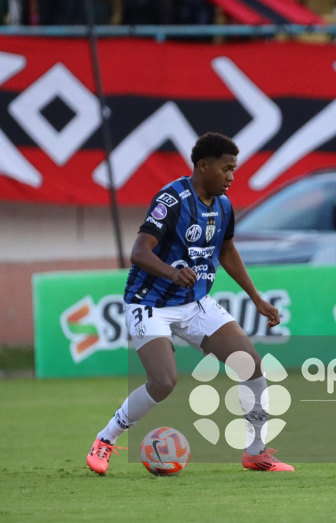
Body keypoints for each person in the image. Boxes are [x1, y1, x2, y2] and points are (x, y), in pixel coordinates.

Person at [86, 133, 294, 474]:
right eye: (226, 169)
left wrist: (255, 298)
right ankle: (106, 439)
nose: (231, 176)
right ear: (203, 166)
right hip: (150, 302)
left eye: (234, 170)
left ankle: (256, 452)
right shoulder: (172, 199)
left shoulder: (224, 206)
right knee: (164, 381)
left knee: (252, 365)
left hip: (195, 302)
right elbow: (139, 251)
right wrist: (171, 273)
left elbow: (226, 251)